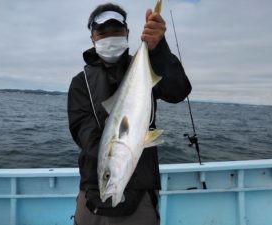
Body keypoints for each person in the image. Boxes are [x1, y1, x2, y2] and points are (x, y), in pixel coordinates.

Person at [67, 3, 192, 225]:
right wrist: (121, 153)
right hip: (92, 189)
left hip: (142, 190)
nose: (109, 37)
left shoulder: (146, 65)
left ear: (127, 33)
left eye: (116, 31)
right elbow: (82, 131)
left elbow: (178, 92)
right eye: (102, 32)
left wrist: (158, 48)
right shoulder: (80, 83)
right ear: (92, 38)